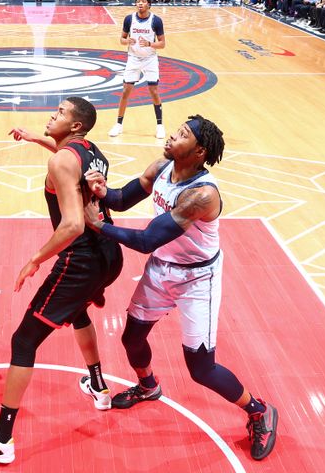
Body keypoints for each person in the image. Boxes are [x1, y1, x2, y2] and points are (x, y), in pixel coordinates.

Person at [83, 115, 278, 461]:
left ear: (200, 151)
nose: (173, 135)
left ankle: (259, 410)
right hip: (162, 268)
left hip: (198, 278)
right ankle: (148, 387)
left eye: (183, 134)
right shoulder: (162, 165)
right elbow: (124, 198)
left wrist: (99, 226)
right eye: (177, 129)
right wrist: (103, 192)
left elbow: (145, 240)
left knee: (201, 368)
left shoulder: (201, 195)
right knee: (131, 337)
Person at [0, 97, 123, 464]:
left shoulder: (61, 160)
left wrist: (35, 259)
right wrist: (34, 138)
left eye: (60, 113)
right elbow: (65, 155)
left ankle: (0, 439)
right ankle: (97, 384)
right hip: (110, 256)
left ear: (76, 125)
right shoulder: (92, 151)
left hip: (81, 262)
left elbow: (73, 223)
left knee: (24, 339)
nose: (52, 114)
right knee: (77, 313)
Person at [107, 0, 166, 140]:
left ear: (149, 5)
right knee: (126, 91)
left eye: (143, 1)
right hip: (133, 58)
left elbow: (163, 44)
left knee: (153, 91)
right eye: (138, 1)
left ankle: (160, 126)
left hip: (150, 58)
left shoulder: (156, 20)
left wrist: (150, 44)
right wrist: (127, 41)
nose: (140, 4)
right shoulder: (129, 19)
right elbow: (121, 39)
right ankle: (119, 124)